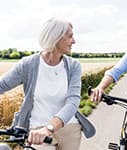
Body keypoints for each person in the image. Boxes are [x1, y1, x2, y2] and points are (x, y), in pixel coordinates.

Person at [0, 17, 82, 150]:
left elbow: (72, 102)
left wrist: (49, 128)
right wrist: (44, 130)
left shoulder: (74, 66)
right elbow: (2, 85)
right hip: (37, 131)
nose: (74, 41)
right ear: (56, 37)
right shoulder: (28, 65)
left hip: (68, 128)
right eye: (70, 36)